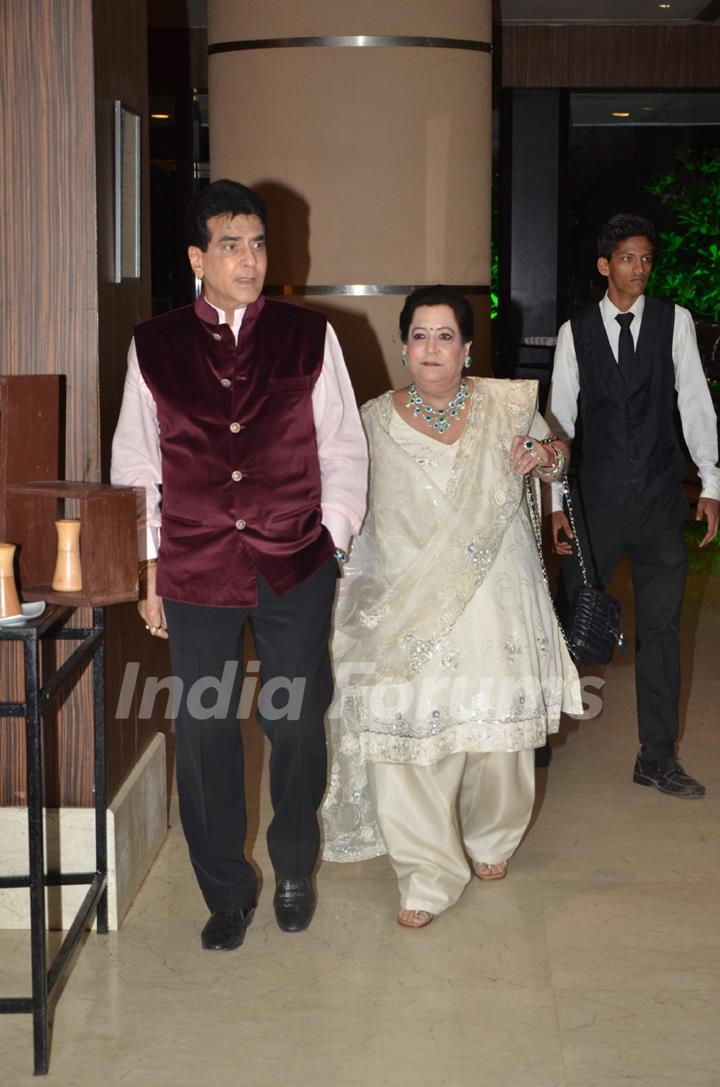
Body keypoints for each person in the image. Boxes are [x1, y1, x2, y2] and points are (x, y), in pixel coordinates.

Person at [111, 179, 367, 950]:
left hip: (295, 560)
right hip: (194, 564)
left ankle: (293, 864)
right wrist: (149, 567)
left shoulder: (309, 334)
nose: (250, 259)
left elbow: (343, 447)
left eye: (258, 244)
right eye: (231, 245)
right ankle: (224, 888)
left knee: (293, 720)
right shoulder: (153, 344)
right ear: (198, 257)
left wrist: (334, 540)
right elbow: (135, 463)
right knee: (205, 729)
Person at [321, 285, 582, 928]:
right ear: (402, 345)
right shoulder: (372, 419)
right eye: (419, 335)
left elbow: (559, 461)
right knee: (407, 732)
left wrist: (543, 456)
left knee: (497, 733)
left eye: (445, 336)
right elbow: (349, 501)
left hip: (496, 596)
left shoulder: (509, 402)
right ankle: (426, 872)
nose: (431, 348)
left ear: (467, 347)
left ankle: (492, 837)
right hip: (406, 603)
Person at [547, 213, 720, 798]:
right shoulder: (576, 332)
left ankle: (656, 756)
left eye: (646, 259)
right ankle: (536, 734)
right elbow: (559, 424)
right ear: (605, 266)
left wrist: (713, 483)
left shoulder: (676, 323)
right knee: (570, 625)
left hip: (658, 501)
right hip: (594, 506)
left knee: (663, 632)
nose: (639, 269)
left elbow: (695, 402)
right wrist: (555, 504)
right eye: (628, 258)